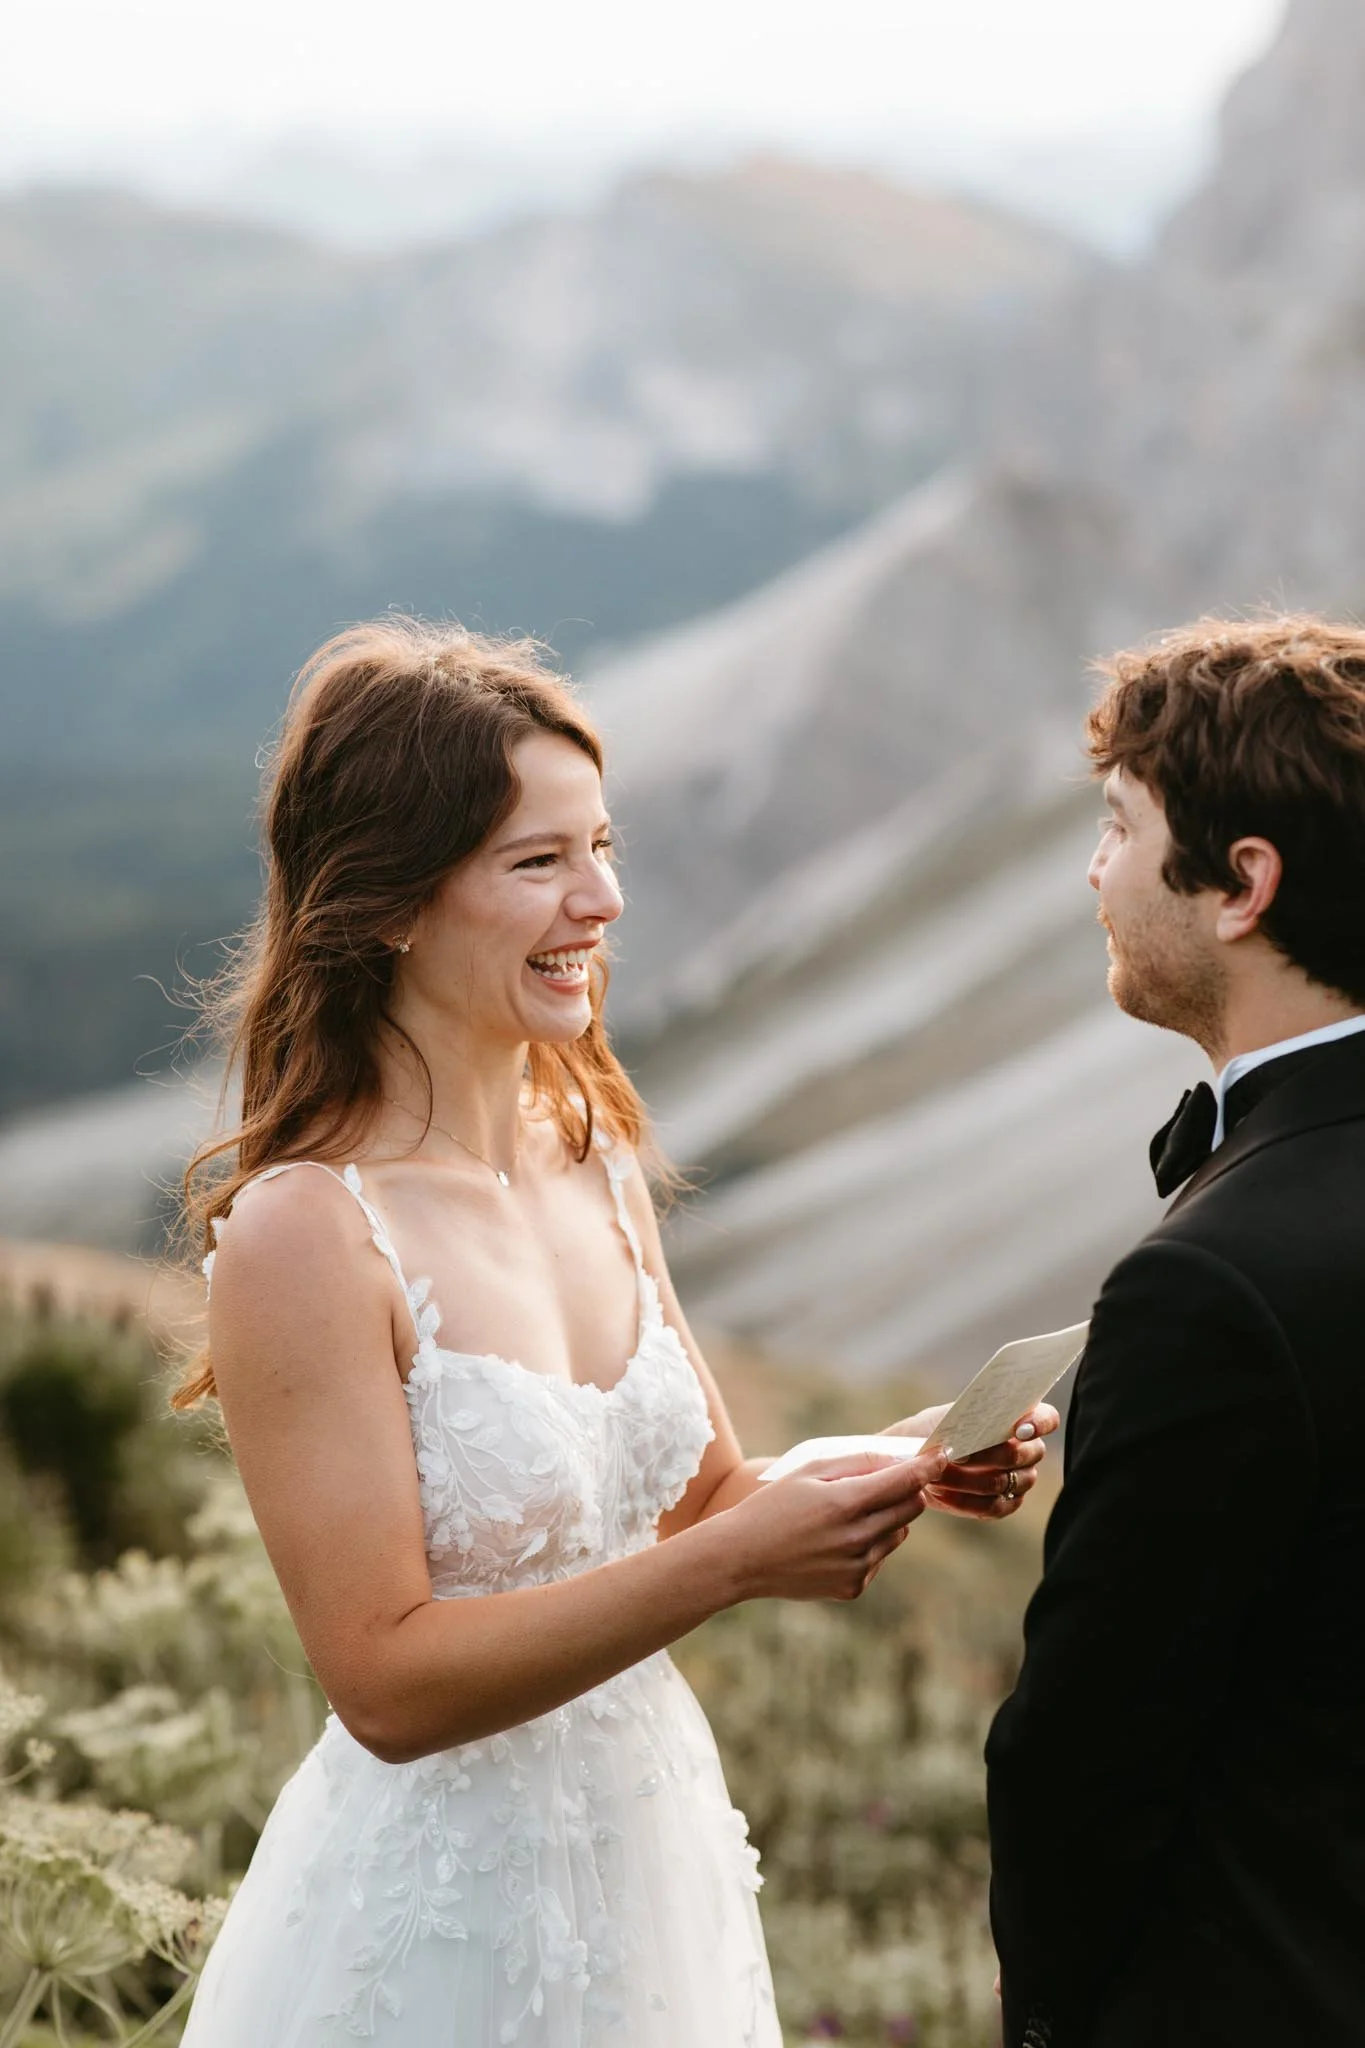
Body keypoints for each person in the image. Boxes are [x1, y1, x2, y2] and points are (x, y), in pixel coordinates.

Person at [173, 618, 1054, 2048]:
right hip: (436, 1922)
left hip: (651, 1864)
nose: (604, 900)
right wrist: (727, 1570)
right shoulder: (307, 1233)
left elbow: (704, 1496)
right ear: (390, 901)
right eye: (539, 863)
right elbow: (386, 1682)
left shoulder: (592, 1154)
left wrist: (907, 1458)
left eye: (604, 846)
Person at [986, 616, 1365, 2048]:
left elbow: (1081, 1767)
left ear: (1241, 887)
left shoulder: (1211, 1286)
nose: (1095, 872)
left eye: (1120, 828)